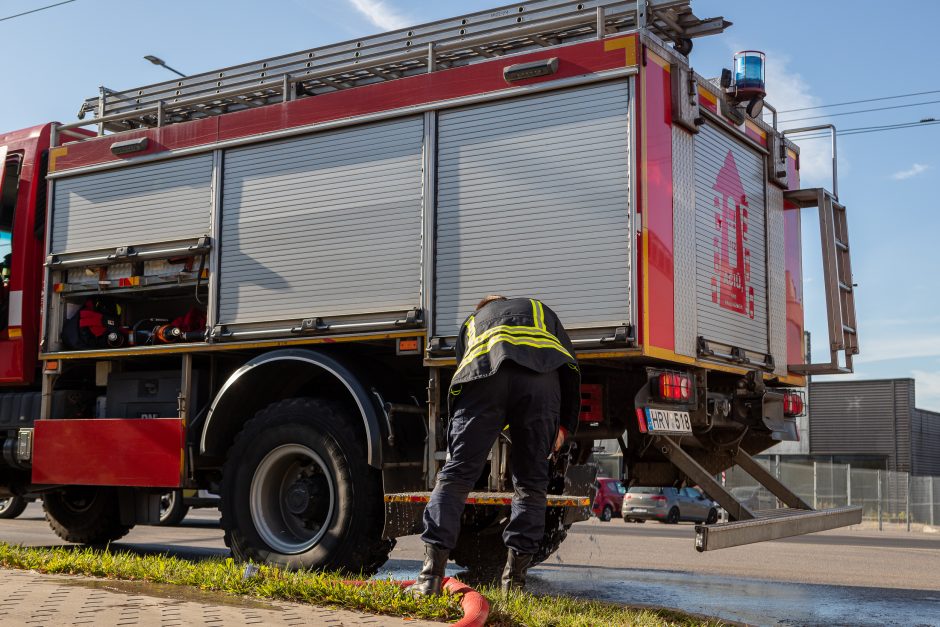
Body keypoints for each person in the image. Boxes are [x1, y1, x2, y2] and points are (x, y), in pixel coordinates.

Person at [407, 295, 580, 596]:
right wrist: (564, 425)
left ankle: (429, 580)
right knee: (530, 486)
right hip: (541, 384)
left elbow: (464, 370)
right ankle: (514, 586)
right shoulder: (540, 309)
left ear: (484, 307)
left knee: (456, 477)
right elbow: (569, 365)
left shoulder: (472, 322)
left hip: (485, 376)